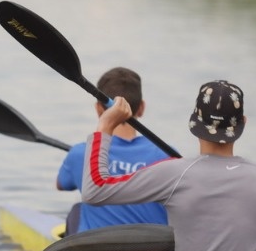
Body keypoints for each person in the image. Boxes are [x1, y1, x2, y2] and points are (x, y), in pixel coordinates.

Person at [80, 80, 256, 251]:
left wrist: (105, 126)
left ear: (193, 122)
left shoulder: (174, 172)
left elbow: (94, 190)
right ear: (242, 123)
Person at [55, 66, 170, 235]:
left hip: (98, 249)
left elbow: (61, 184)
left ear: (98, 109)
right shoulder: (168, 156)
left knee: (77, 210)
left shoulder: (80, 153)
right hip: (155, 248)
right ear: (141, 108)